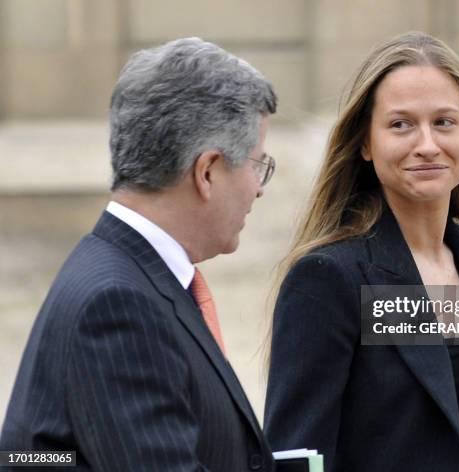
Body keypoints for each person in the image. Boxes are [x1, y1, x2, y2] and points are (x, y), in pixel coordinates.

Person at [264, 32, 459, 472]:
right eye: (401, 124)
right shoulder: (328, 276)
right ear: (365, 143)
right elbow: (298, 456)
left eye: (444, 122)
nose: (427, 144)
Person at [0, 37, 277, 471]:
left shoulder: (128, 276)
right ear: (206, 172)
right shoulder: (118, 305)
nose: (259, 188)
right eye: (257, 165)